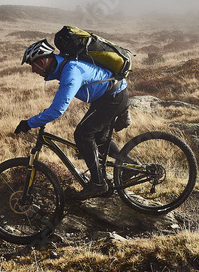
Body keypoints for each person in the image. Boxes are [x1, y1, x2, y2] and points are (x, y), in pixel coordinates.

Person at [15, 39, 129, 200]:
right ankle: (129, 166)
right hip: (111, 94)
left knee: (83, 135)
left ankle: (98, 184)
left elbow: (57, 110)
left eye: (32, 65)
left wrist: (29, 123)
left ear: (41, 61)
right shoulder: (64, 66)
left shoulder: (70, 71)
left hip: (112, 98)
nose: (33, 70)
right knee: (98, 138)